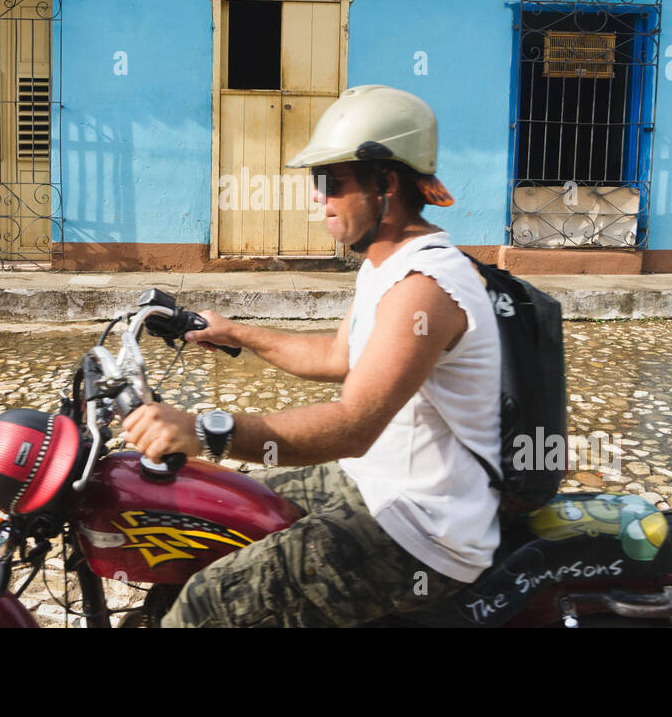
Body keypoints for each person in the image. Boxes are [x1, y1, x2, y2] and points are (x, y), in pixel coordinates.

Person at [123, 85, 502, 627]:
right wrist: (233, 332)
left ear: (386, 183)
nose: (318, 201)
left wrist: (204, 430)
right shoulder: (384, 265)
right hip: (366, 481)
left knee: (203, 605)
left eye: (330, 183)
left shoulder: (425, 286)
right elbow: (336, 355)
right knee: (208, 517)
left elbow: (353, 426)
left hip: (419, 529)